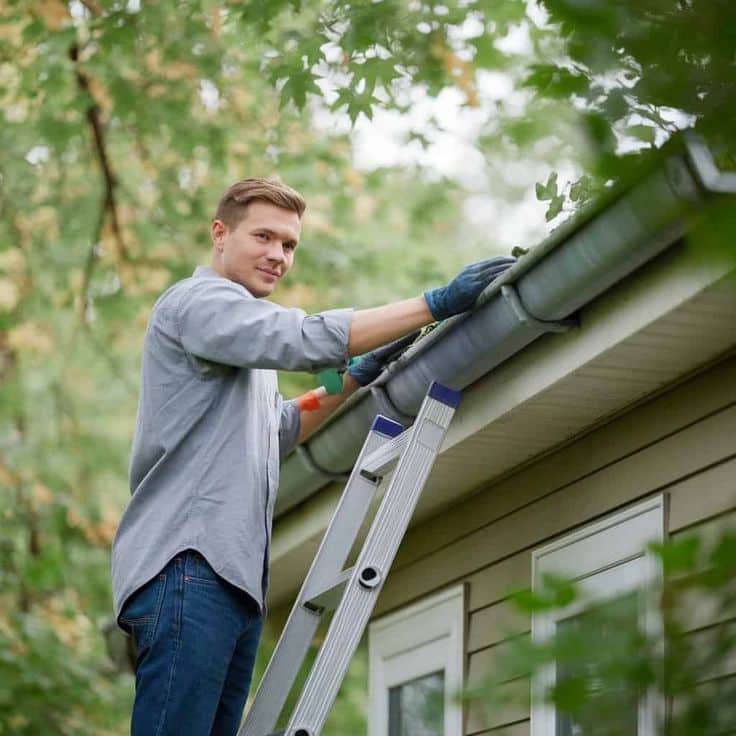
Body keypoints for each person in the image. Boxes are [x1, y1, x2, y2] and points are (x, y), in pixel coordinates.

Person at [110, 177, 515, 736]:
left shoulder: (240, 348)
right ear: (220, 233)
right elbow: (301, 337)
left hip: (229, 578)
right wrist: (433, 304)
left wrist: (350, 377)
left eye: (290, 245)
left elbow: (281, 425)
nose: (278, 255)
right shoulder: (200, 305)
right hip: (190, 565)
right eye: (264, 237)